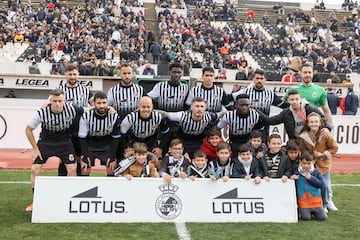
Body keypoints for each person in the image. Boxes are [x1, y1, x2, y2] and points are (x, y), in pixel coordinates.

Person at [25, 89, 83, 212]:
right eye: (54, 101)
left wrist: (110, 108)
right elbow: (28, 129)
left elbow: (89, 110)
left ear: (65, 101)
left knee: (72, 168)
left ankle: (69, 199)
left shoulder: (73, 109)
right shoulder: (42, 112)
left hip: (64, 141)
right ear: (50, 101)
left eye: (60, 101)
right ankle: (36, 201)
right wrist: (35, 149)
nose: (57, 104)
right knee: (35, 169)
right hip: (46, 141)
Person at [57, 63, 93, 176]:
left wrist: (83, 109)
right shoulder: (59, 90)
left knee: (79, 156)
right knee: (63, 157)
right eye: (70, 74)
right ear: (65, 75)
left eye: (74, 74)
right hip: (65, 128)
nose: (72, 77)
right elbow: (51, 103)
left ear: (78, 75)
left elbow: (93, 105)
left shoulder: (86, 90)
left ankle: (79, 182)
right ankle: (61, 182)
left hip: (81, 127)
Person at [232, 69, 289, 141]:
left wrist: (295, 104)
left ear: (265, 80)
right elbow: (231, 101)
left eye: (262, 78)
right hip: (247, 127)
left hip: (263, 128)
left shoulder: (270, 93)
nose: (259, 80)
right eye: (257, 78)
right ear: (253, 79)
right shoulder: (245, 91)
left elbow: (282, 104)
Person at [298, 112, 339, 212]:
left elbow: (334, 148)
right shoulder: (303, 136)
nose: (314, 124)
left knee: (326, 185)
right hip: (310, 165)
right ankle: (318, 203)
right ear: (307, 123)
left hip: (323, 164)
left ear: (320, 123)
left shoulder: (326, 135)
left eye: (316, 122)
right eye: (311, 122)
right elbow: (302, 150)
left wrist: (322, 154)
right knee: (314, 185)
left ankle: (327, 202)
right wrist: (309, 157)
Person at [259, 89, 332, 140]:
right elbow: (271, 121)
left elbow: (323, 118)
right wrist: (257, 112)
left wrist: (327, 128)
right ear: (288, 101)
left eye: (296, 99)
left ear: (300, 99)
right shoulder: (286, 113)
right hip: (296, 140)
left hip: (312, 139)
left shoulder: (309, 108)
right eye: (292, 100)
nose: (294, 102)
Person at [78, 91, 121, 176]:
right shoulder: (86, 116)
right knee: (85, 169)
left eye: (104, 103)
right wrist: (85, 156)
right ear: (94, 104)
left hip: (106, 144)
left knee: (111, 168)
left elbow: (115, 138)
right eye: (99, 103)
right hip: (90, 144)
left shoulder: (114, 116)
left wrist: (112, 157)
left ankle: (109, 188)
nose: (102, 106)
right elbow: (82, 138)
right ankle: (84, 188)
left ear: (107, 103)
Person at [291, 151, 327, 221]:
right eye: (304, 163)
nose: (306, 166)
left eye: (309, 163)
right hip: (303, 202)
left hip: (316, 201)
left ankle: (320, 209)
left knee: (322, 218)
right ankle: (302, 211)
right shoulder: (296, 172)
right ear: (300, 162)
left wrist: (311, 178)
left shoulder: (316, 172)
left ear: (312, 162)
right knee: (306, 218)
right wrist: (292, 178)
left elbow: (322, 185)